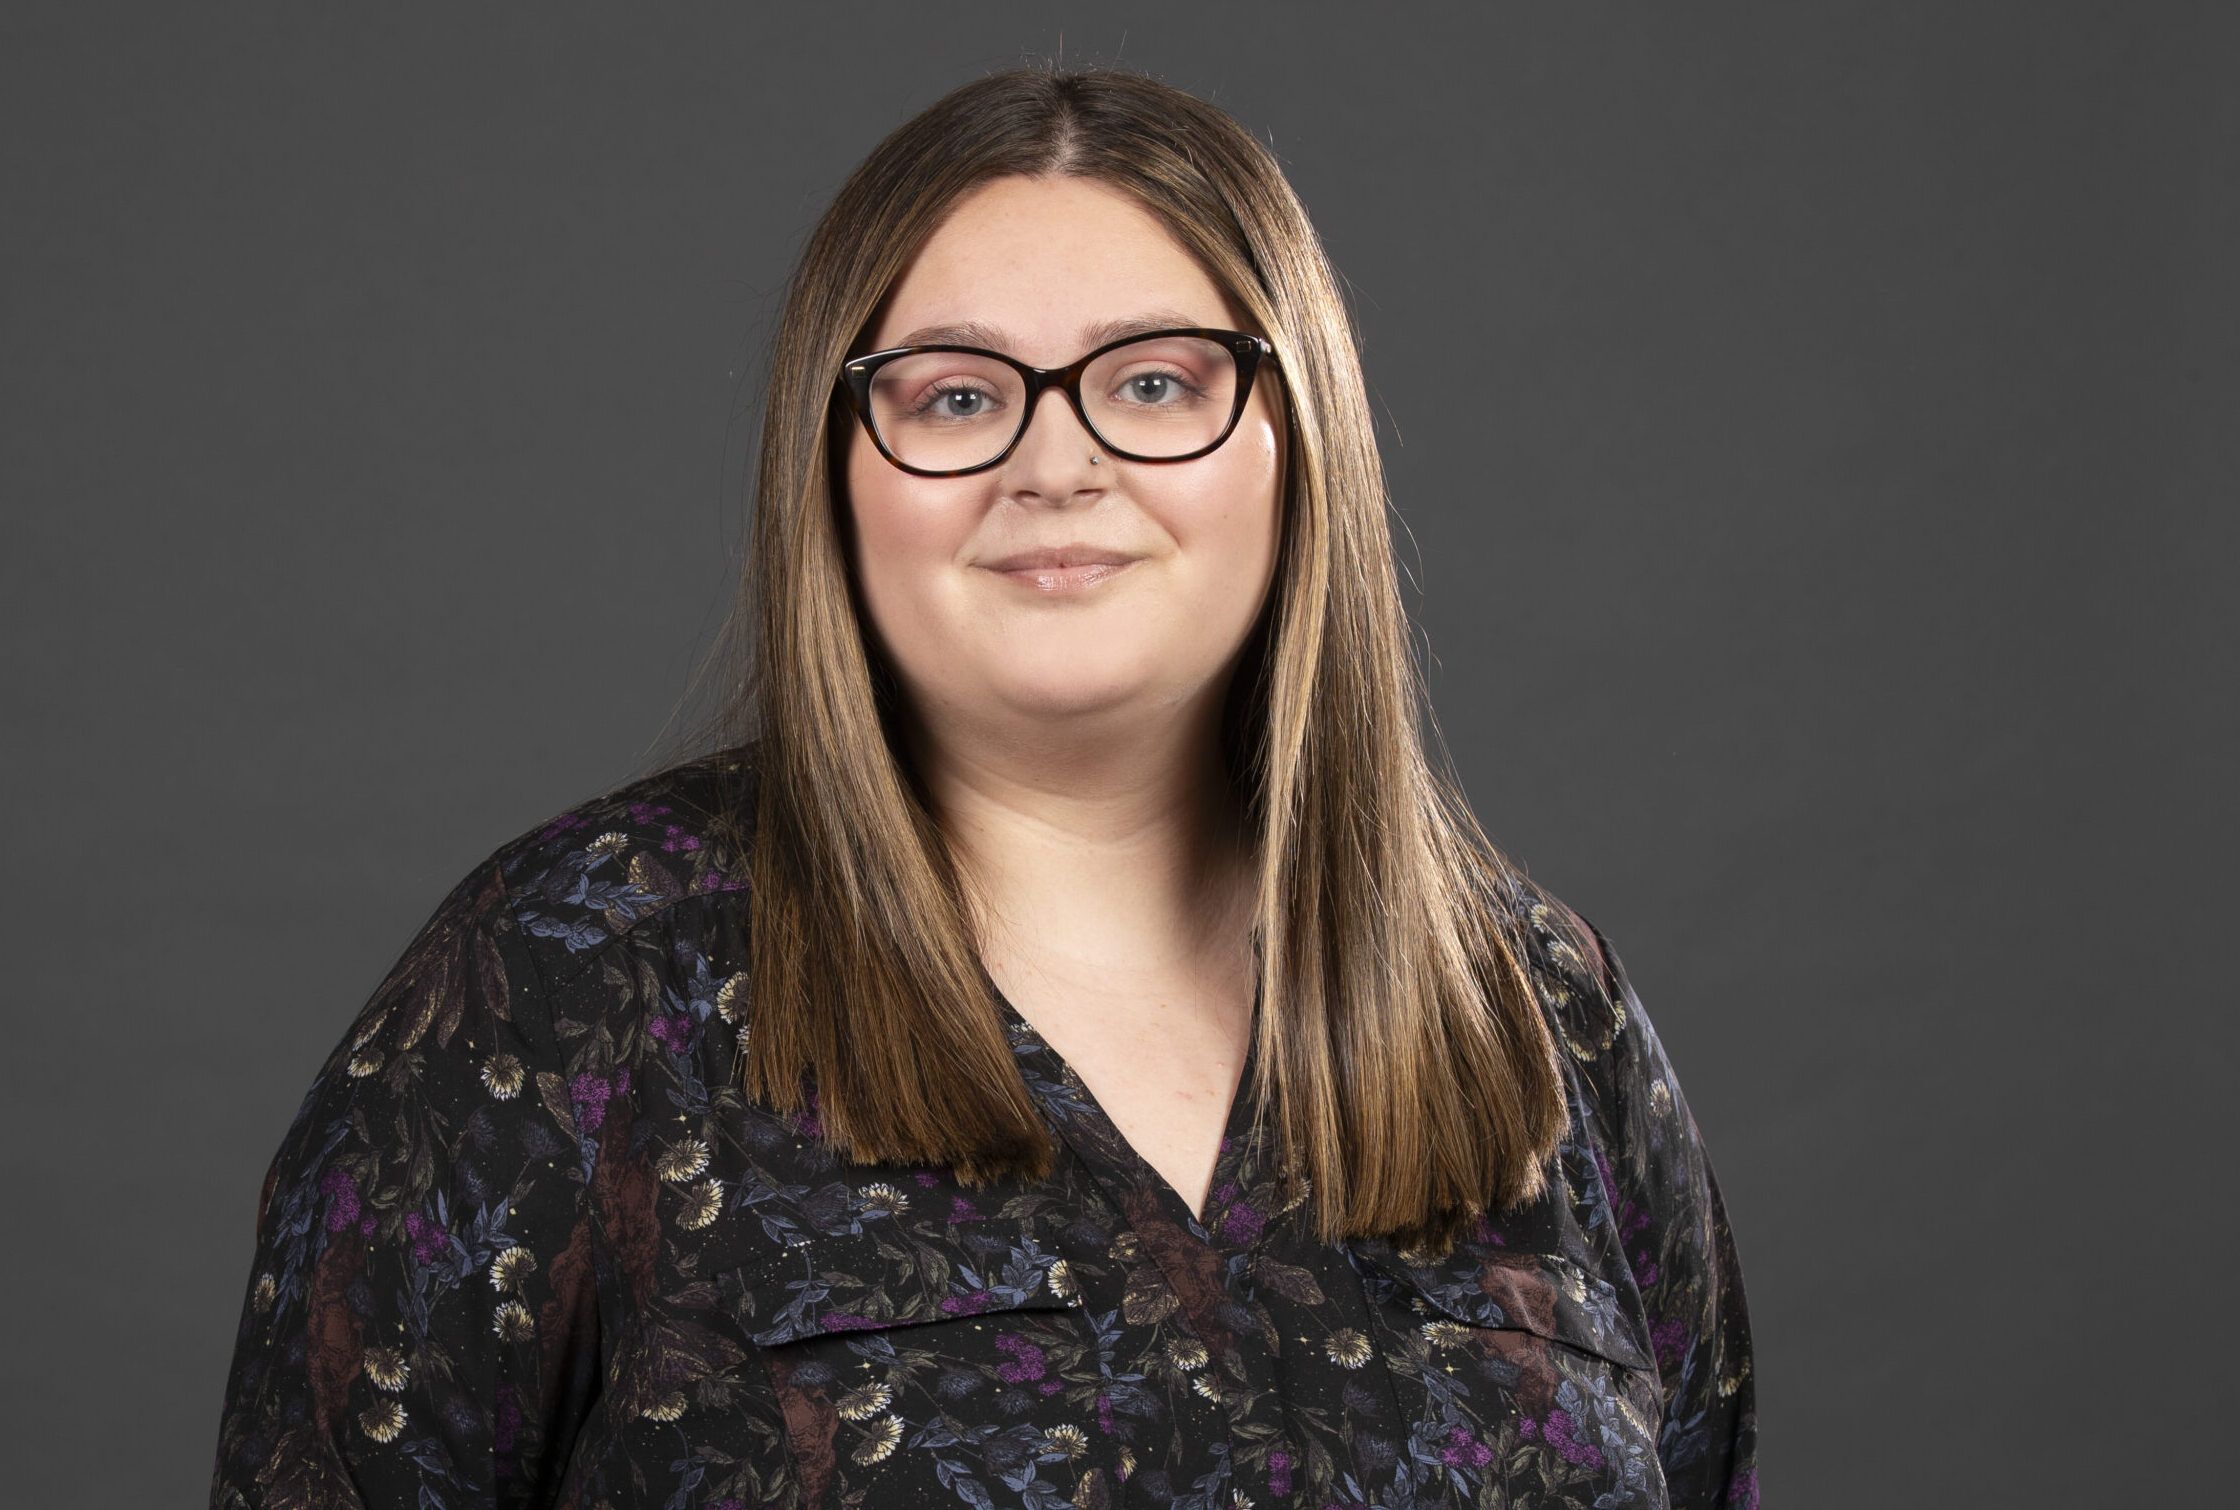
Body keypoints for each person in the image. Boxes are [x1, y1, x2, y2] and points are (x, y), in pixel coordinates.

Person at [208, 63, 1758, 1510]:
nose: (1057, 462)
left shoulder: (1541, 1015)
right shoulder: (566, 987)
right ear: (835, 469)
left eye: (1154, 383)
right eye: (956, 396)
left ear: (1299, 441)